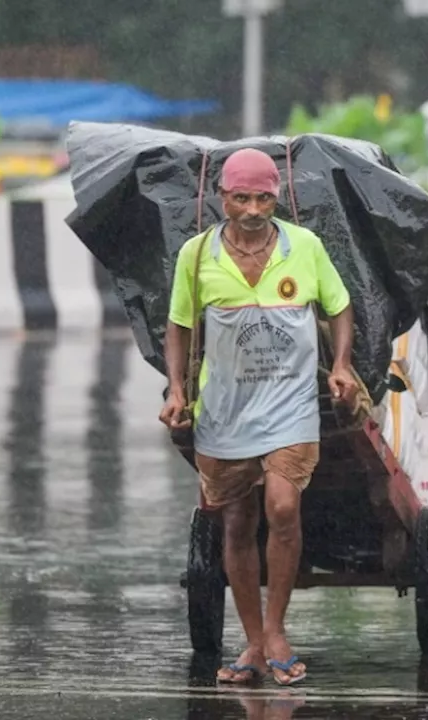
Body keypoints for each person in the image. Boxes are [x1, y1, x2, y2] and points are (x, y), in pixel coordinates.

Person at [158, 148, 357, 686]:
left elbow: (339, 307)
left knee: (283, 505)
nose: (251, 209)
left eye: (262, 197)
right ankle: (251, 642)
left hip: (290, 405)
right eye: (240, 197)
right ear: (221, 197)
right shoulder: (197, 256)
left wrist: (340, 365)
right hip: (223, 407)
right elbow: (178, 325)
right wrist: (177, 389)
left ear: (276, 198)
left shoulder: (305, 247)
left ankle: (276, 631)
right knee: (238, 521)